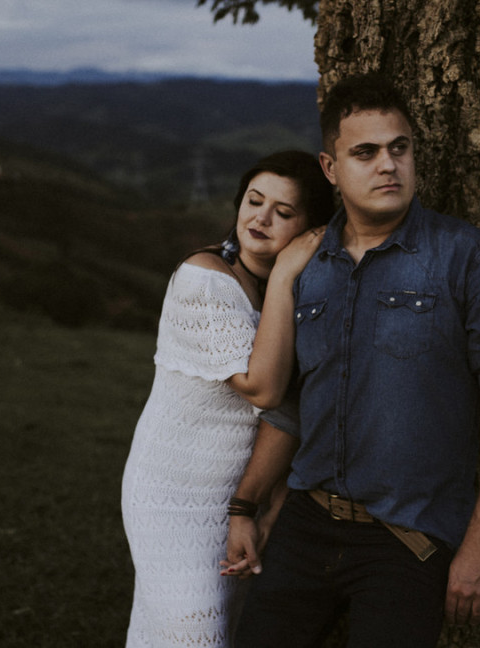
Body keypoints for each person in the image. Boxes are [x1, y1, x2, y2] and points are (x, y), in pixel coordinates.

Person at [225, 74, 480, 647]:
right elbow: (294, 404)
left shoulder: (469, 258)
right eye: (366, 152)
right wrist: (246, 505)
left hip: (408, 540)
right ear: (331, 169)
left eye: (399, 148)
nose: (388, 166)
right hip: (305, 525)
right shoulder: (309, 265)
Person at [121, 150, 336, 648]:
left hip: (241, 496)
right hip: (173, 494)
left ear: (309, 229)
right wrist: (284, 275)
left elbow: (292, 413)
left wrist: (264, 509)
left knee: (222, 629)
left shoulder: (294, 293)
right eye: (254, 201)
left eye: (283, 212)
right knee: (191, 633)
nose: (260, 218)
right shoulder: (205, 279)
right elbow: (263, 388)